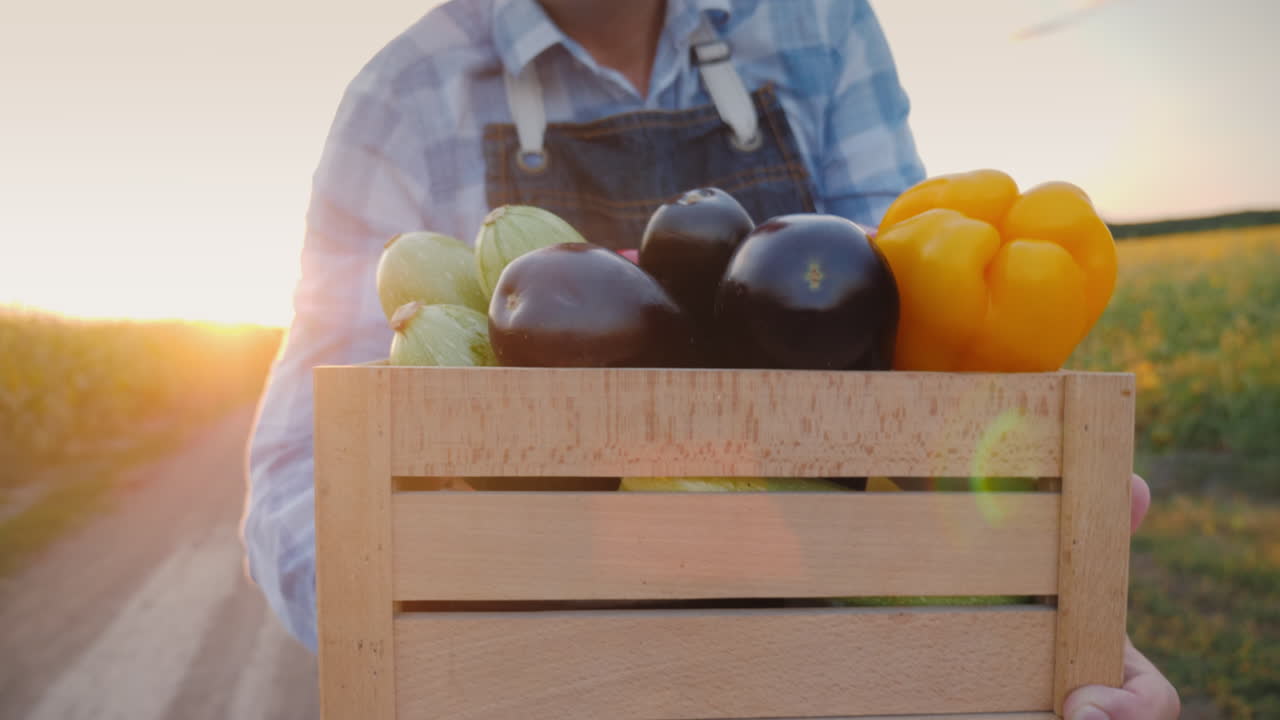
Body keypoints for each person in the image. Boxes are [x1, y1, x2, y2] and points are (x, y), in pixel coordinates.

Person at [241, 2, 1179, 718]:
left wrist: (1040, 597)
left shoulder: (818, 23)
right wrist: (475, 652)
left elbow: (914, 357)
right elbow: (295, 475)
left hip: (829, 676)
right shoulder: (400, 99)